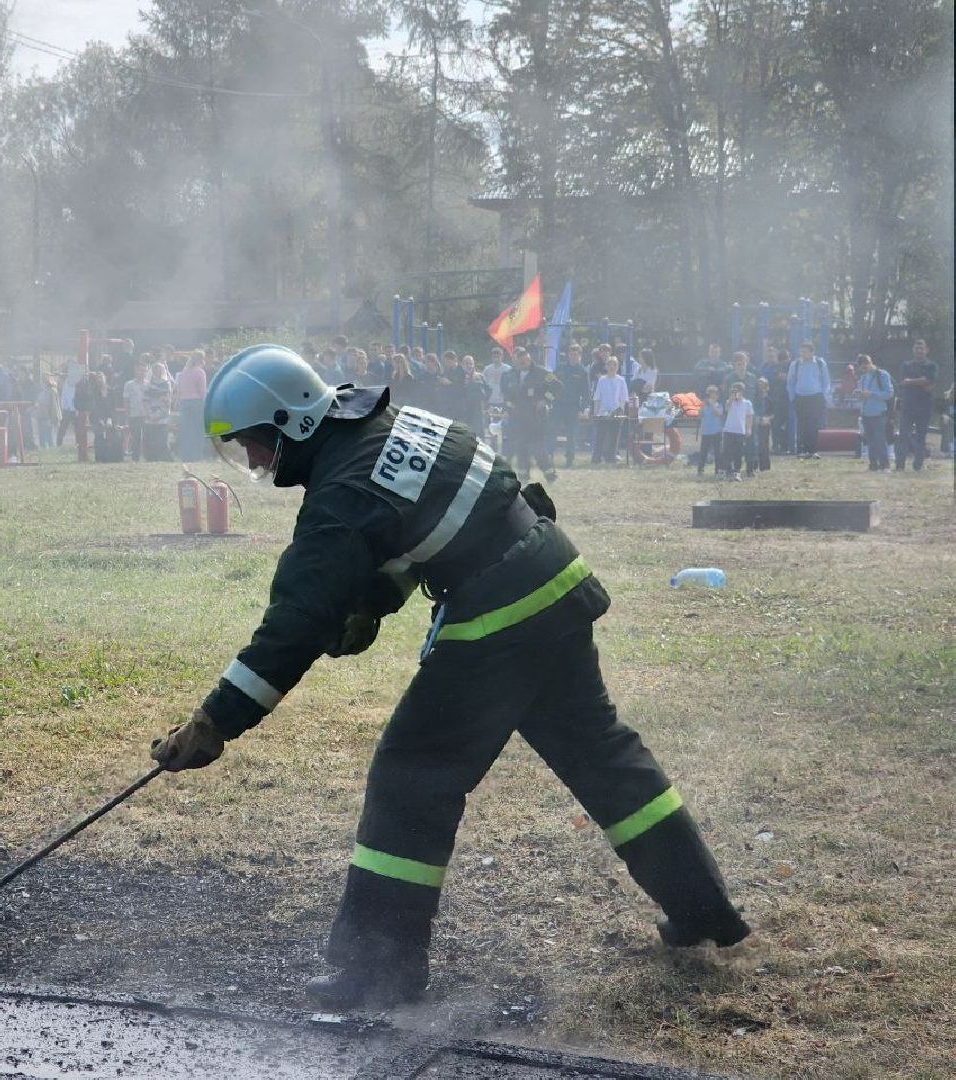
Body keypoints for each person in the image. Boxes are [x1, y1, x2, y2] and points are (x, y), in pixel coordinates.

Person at [150, 344, 749, 1009]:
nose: (257, 463)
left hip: (501, 616)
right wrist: (374, 599)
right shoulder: (389, 427)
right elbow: (446, 508)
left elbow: (292, 625)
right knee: (602, 755)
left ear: (289, 422)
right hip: (553, 578)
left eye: (255, 446)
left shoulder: (342, 494)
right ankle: (703, 910)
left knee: (412, 778)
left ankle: (378, 970)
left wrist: (215, 722)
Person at [500, 347, 561, 482]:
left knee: (537, 449)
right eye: (520, 362)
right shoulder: (512, 375)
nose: (522, 364)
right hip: (519, 419)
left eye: (525, 361)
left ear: (529, 359)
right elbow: (509, 396)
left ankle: (550, 475)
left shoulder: (542, 372)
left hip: (537, 419)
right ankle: (523, 477)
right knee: (520, 448)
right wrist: (508, 409)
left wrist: (545, 400)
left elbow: (557, 386)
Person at [894, 338, 937, 472]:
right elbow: (903, 382)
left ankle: (917, 465)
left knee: (921, 436)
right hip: (907, 405)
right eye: (917, 348)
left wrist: (911, 381)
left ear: (926, 350)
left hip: (924, 406)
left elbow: (929, 385)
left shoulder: (932, 366)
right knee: (903, 436)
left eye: (922, 348)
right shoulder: (905, 365)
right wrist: (922, 381)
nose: (919, 350)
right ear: (913, 350)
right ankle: (900, 465)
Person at [786, 342, 829, 460]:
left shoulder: (820, 363)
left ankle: (813, 450)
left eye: (805, 351)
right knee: (802, 424)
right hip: (800, 397)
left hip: (816, 397)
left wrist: (824, 396)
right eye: (801, 351)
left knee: (814, 424)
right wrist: (792, 398)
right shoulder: (795, 364)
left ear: (812, 352)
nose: (802, 354)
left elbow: (826, 381)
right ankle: (801, 450)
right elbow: (790, 382)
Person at [552, 344, 592, 468]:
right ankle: (548, 456)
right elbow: (551, 384)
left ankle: (569, 459)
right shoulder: (560, 368)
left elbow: (586, 393)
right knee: (552, 431)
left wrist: (583, 408)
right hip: (558, 406)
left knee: (571, 435)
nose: (573, 357)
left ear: (580, 356)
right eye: (571, 354)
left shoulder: (583, 371)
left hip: (573, 408)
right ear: (568, 355)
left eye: (576, 354)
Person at [856, 354, 894, 472]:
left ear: (871, 362)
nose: (865, 367)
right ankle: (873, 465)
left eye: (866, 363)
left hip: (879, 413)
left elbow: (889, 394)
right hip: (865, 413)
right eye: (862, 365)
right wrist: (859, 395)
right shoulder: (863, 378)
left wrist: (872, 394)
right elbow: (863, 396)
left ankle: (885, 465)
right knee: (870, 441)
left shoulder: (882, 375)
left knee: (880, 439)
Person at [589, 356, 629, 465]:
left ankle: (611, 458)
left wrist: (620, 411)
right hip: (603, 413)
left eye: (614, 365)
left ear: (617, 367)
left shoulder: (621, 380)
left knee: (614, 436)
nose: (612, 366)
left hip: (616, 413)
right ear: (606, 366)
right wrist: (596, 413)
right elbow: (597, 397)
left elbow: (623, 398)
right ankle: (596, 458)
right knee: (600, 436)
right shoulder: (602, 380)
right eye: (609, 364)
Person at [719, 382, 754, 482]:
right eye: (734, 391)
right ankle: (725, 471)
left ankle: (736, 472)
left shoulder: (747, 403)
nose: (736, 393)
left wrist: (749, 428)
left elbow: (749, 416)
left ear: (743, 392)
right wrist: (732, 398)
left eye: (738, 391)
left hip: (740, 431)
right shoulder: (730, 401)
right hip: (728, 430)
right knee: (726, 452)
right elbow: (726, 408)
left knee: (738, 453)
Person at [693, 385, 724, 476]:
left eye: (714, 394)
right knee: (703, 452)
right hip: (706, 431)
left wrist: (712, 404)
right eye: (710, 394)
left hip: (717, 431)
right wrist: (702, 407)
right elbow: (699, 416)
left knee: (718, 452)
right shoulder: (704, 405)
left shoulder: (719, 405)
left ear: (717, 396)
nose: (711, 396)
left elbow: (718, 414)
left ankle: (718, 470)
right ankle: (700, 470)